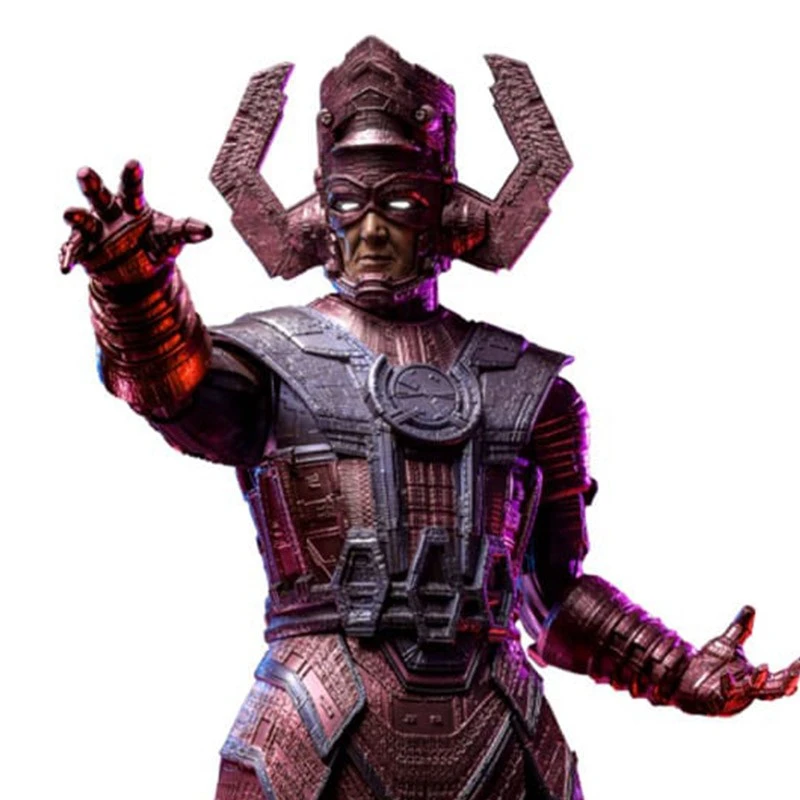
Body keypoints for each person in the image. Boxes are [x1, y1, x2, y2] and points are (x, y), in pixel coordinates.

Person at [59, 37, 799, 800]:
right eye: (350, 204)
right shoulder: (271, 360)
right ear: (320, 214)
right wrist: (134, 289)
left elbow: (552, 597)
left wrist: (676, 669)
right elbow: (171, 387)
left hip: (501, 737)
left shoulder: (532, 391)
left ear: (446, 213)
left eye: (401, 205)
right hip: (314, 731)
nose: (373, 231)